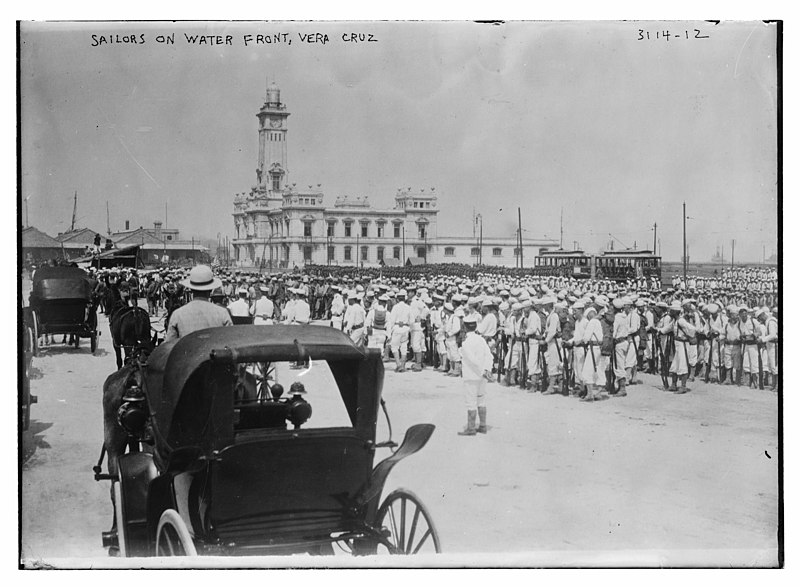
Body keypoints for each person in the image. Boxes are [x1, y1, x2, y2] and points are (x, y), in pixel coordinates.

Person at [165, 265, 232, 342]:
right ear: (210, 290)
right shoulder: (222, 313)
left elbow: (169, 345)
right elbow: (230, 342)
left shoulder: (177, 314)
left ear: (191, 289)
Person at [457, 314, 494, 436]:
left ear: (465, 327)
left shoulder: (466, 342)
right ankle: (482, 425)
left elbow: (472, 360)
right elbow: (489, 356)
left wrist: (483, 371)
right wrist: (487, 369)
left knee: (471, 402)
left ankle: (471, 428)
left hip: (472, 376)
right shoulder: (481, 339)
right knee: (481, 400)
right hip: (482, 377)